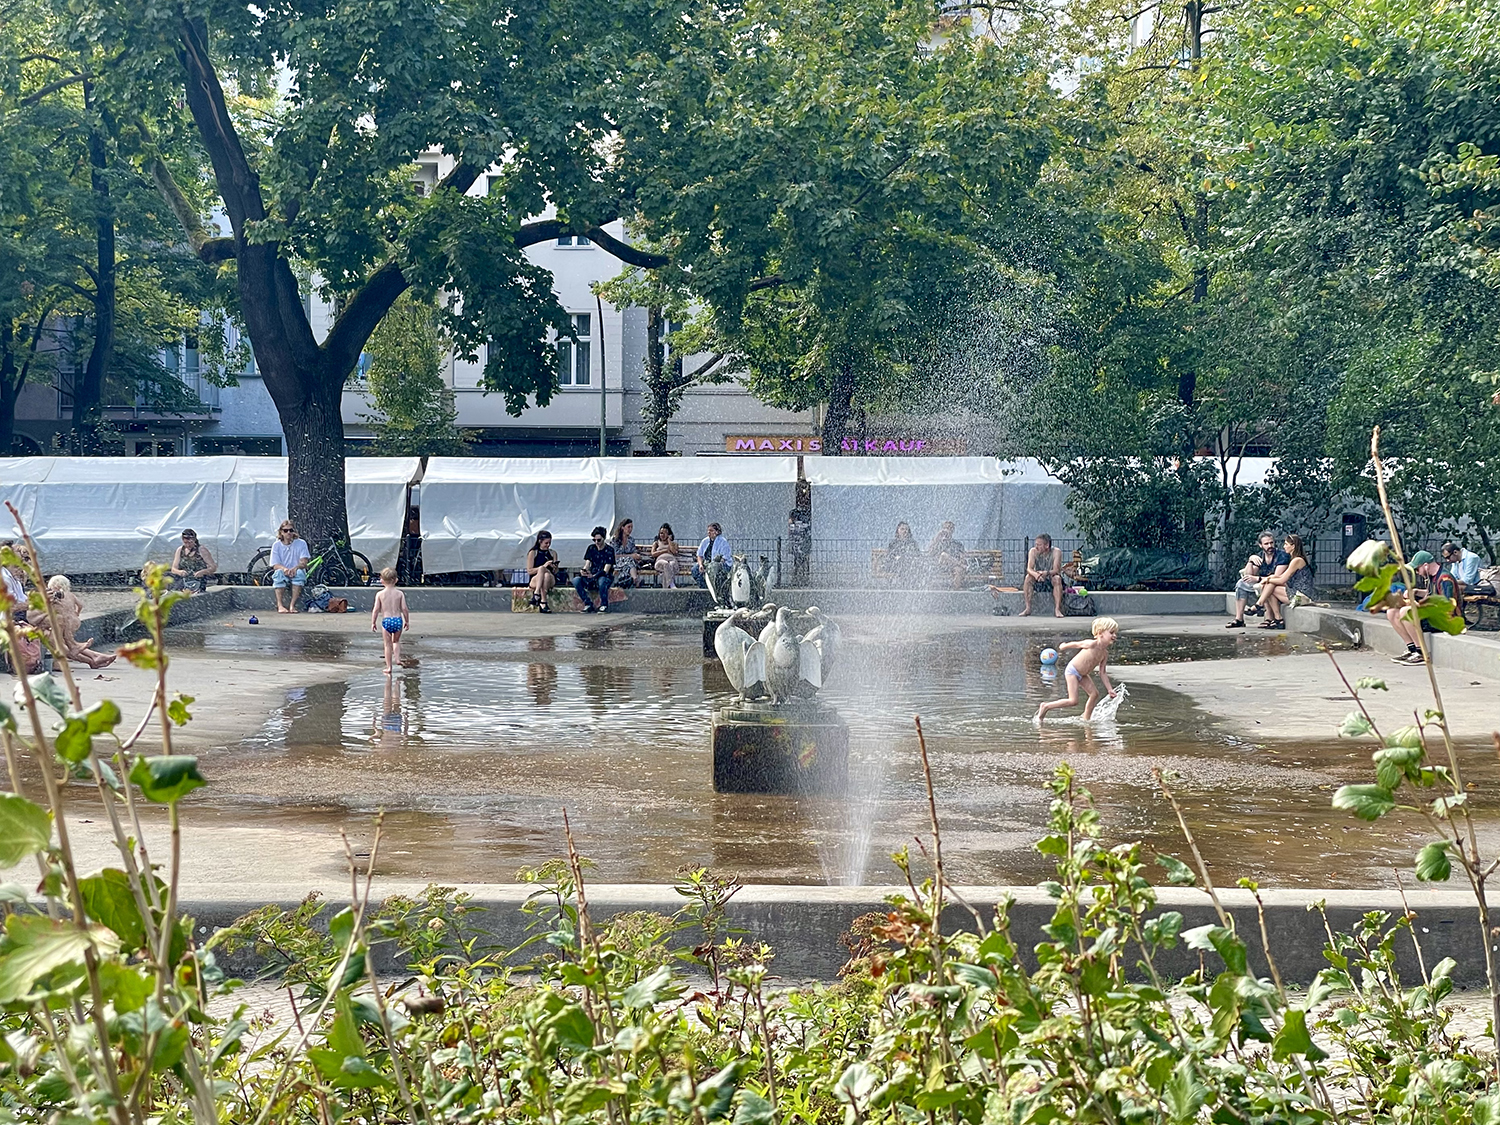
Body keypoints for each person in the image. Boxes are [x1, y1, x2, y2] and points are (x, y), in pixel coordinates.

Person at [1035, 616, 1119, 725]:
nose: (1114, 635)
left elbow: (1102, 672)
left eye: (1115, 633)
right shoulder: (1091, 644)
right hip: (1073, 671)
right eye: (1111, 633)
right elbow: (1077, 644)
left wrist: (1110, 689)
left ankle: (1086, 719)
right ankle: (1046, 706)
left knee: (1094, 694)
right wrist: (1064, 646)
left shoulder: (1104, 653)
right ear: (1100, 633)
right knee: (1073, 701)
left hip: (1083, 674)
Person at [1384, 550, 1453, 665]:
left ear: (1426, 566)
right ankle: (1412, 649)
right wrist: (1416, 592)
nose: (1417, 573)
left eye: (1417, 569)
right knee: (1392, 611)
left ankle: (1421, 652)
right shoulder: (1431, 577)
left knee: (1406, 612)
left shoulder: (1445, 579)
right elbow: (1431, 593)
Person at [44, 576, 116, 669]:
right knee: (67, 642)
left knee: (64, 642)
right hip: (73, 621)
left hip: (62, 623)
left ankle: (92, 658)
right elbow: (80, 605)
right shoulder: (70, 595)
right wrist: (76, 613)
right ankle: (94, 657)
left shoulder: (54, 597)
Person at [1225, 532, 1289, 628]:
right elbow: (1248, 575)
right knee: (1241, 583)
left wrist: (1258, 578)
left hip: (1278, 586)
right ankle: (1239, 619)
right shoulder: (1260, 556)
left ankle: (1268, 616)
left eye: (1271, 543)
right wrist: (1250, 561)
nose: (1270, 546)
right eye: (1266, 544)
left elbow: (1277, 577)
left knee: (1267, 585)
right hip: (1264, 584)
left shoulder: (1282, 556)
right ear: (1260, 545)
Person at [1253, 534, 1314, 629]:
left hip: (1301, 595)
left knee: (1270, 586)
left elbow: (1282, 580)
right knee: (1269, 586)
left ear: (1293, 546)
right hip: (1296, 591)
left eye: (1286, 544)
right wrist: (1269, 578)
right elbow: (1280, 576)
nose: (1284, 546)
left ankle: (1261, 606)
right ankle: (1276, 618)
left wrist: (1267, 580)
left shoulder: (1297, 560)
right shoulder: (1294, 559)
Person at [370, 567, 410, 674]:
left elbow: (376, 609)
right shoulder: (400, 593)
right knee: (396, 641)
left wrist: (373, 622)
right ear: (396, 580)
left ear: (381, 580)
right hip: (397, 620)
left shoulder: (380, 594)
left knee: (387, 645)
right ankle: (397, 659)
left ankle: (389, 667)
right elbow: (404, 609)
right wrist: (407, 621)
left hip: (386, 621)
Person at [270, 521, 311, 613]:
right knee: (278, 574)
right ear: (281, 532)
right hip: (283, 570)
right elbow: (275, 565)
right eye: (285, 530)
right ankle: (280, 605)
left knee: (300, 574)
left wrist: (295, 568)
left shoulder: (301, 543)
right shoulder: (276, 545)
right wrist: (284, 569)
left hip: (297, 570)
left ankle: (292, 605)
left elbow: (304, 562)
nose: (288, 532)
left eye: (291, 530)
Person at [1021, 533, 1065, 618]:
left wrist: (1046, 573)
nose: (1036, 547)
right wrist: (1036, 575)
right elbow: (1029, 569)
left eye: (1039, 545)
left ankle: (1057, 609)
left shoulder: (1056, 552)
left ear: (1047, 545)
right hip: (1038, 577)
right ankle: (1028, 608)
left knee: (1057, 578)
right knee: (1028, 578)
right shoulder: (1033, 551)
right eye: (1036, 544)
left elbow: (1056, 570)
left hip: (1050, 577)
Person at [574, 525, 616, 613]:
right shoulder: (591, 548)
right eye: (594, 540)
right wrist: (584, 571)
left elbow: (606, 570)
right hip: (592, 575)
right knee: (576, 580)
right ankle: (588, 603)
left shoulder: (609, 550)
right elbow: (587, 564)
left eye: (599, 540)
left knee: (602, 581)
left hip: (604, 576)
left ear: (604, 538)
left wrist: (594, 576)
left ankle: (604, 604)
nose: (596, 542)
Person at [168, 529, 217, 593]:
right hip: (184, 581)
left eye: (190, 543)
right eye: (186, 543)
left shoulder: (201, 550)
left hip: (199, 581)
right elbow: (173, 569)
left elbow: (213, 567)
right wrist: (180, 572)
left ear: (194, 540)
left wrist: (202, 572)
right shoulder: (180, 550)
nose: (188, 545)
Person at [526, 531, 560, 612]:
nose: (548, 545)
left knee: (546, 575)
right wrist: (544, 566)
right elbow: (530, 571)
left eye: (549, 543)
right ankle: (543, 602)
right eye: (546, 543)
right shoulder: (533, 553)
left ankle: (537, 594)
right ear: (540, 541)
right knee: (542, 570)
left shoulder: (553, 553)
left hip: (550, 578)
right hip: (536, 579)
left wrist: (554, 567)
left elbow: (555, 572)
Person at [927, 521, 966, 589]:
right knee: (943, 555)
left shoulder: (957, 544)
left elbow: (962, 556)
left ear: (953, 530)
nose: (947, 530)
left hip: (952, 565)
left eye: (950, 528)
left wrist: (961, 561)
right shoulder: (938, 543)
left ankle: (956, 590)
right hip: (940, 565)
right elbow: (929, 552)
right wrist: (937, 536)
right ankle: (961, 565)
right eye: (945, 528)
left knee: (959, 570)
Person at [694, 522, 732, 587]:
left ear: (717, 532)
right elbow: (699, 555)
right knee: (695, 570)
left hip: (721, 565)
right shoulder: (705, 541)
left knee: (714, 570)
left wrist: (714, 565)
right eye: (708, 530)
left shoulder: (723, 542)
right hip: (707, 563)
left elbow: (725, 558)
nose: (709, 532)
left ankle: (716, 587)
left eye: (711, 531)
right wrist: (700, 565)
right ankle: (705, 586)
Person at [885, 522, 922, 586]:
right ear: (898, 531)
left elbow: (917, 554)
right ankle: (905, 584)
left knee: (909, 563)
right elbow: (890, 556)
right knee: (903, 562)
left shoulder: (913, 543)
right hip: (896, 565)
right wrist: (897, 558)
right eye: (902, 529)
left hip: (909, 564)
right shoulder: (893, 543)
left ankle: (907, 584)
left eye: (906, 529)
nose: (904, 531)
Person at [611, 519, 641, 588]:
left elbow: (633, 551)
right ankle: (635, 579)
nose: (630, 529)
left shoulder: (631, 540)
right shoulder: (615, 540)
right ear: (622, 527)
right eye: (628, 527)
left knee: (628, 564)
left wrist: (637, 556)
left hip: (628, 563)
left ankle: (627, 581)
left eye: (631, 527)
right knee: (629, 560)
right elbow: (615, 555)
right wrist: (630, 556)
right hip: (617, 562)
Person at [651, 524, 680, 588]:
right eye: (661, 533)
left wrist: (669, 541)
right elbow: (653, 554)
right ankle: (671, 584)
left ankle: (665, 588)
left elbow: (674, 552)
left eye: (665, 533)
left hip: (671, 560)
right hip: (660, 561)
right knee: (665, 564)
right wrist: (664, 551)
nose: (663, 535)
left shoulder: (673, 544)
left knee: (670, 565)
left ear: (669, 534)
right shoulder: (656, 543)